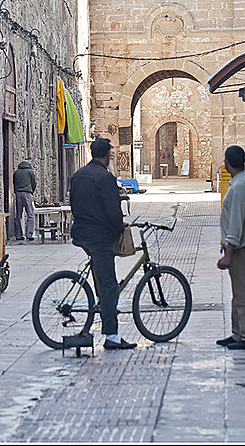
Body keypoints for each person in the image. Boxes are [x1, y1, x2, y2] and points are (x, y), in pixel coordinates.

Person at [69, 137, 135, 350]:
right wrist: (119, 229)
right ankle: (112, 336)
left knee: (102, 278)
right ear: (107, 155)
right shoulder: (105, 178)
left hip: (81, 234)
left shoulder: (78, 176)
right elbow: (112, 210)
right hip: (99, 237)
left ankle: (101, 303)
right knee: (110, 286)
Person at [216, 145, 245, 350]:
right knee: (239, 291)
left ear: (227, 162)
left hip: (243, 244)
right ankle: (238, 333)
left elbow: (236, 222)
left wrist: (229, 251)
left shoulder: (238, 188)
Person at [13, 160, 37, 241]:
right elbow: (34, 183)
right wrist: (31, 191)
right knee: (30, 214)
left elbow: (14, 183)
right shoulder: (30, 172)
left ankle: (18, 235)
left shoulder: (16, 172)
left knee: (18, 215)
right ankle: (29, 234)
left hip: (18, 193)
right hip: (27, 193)